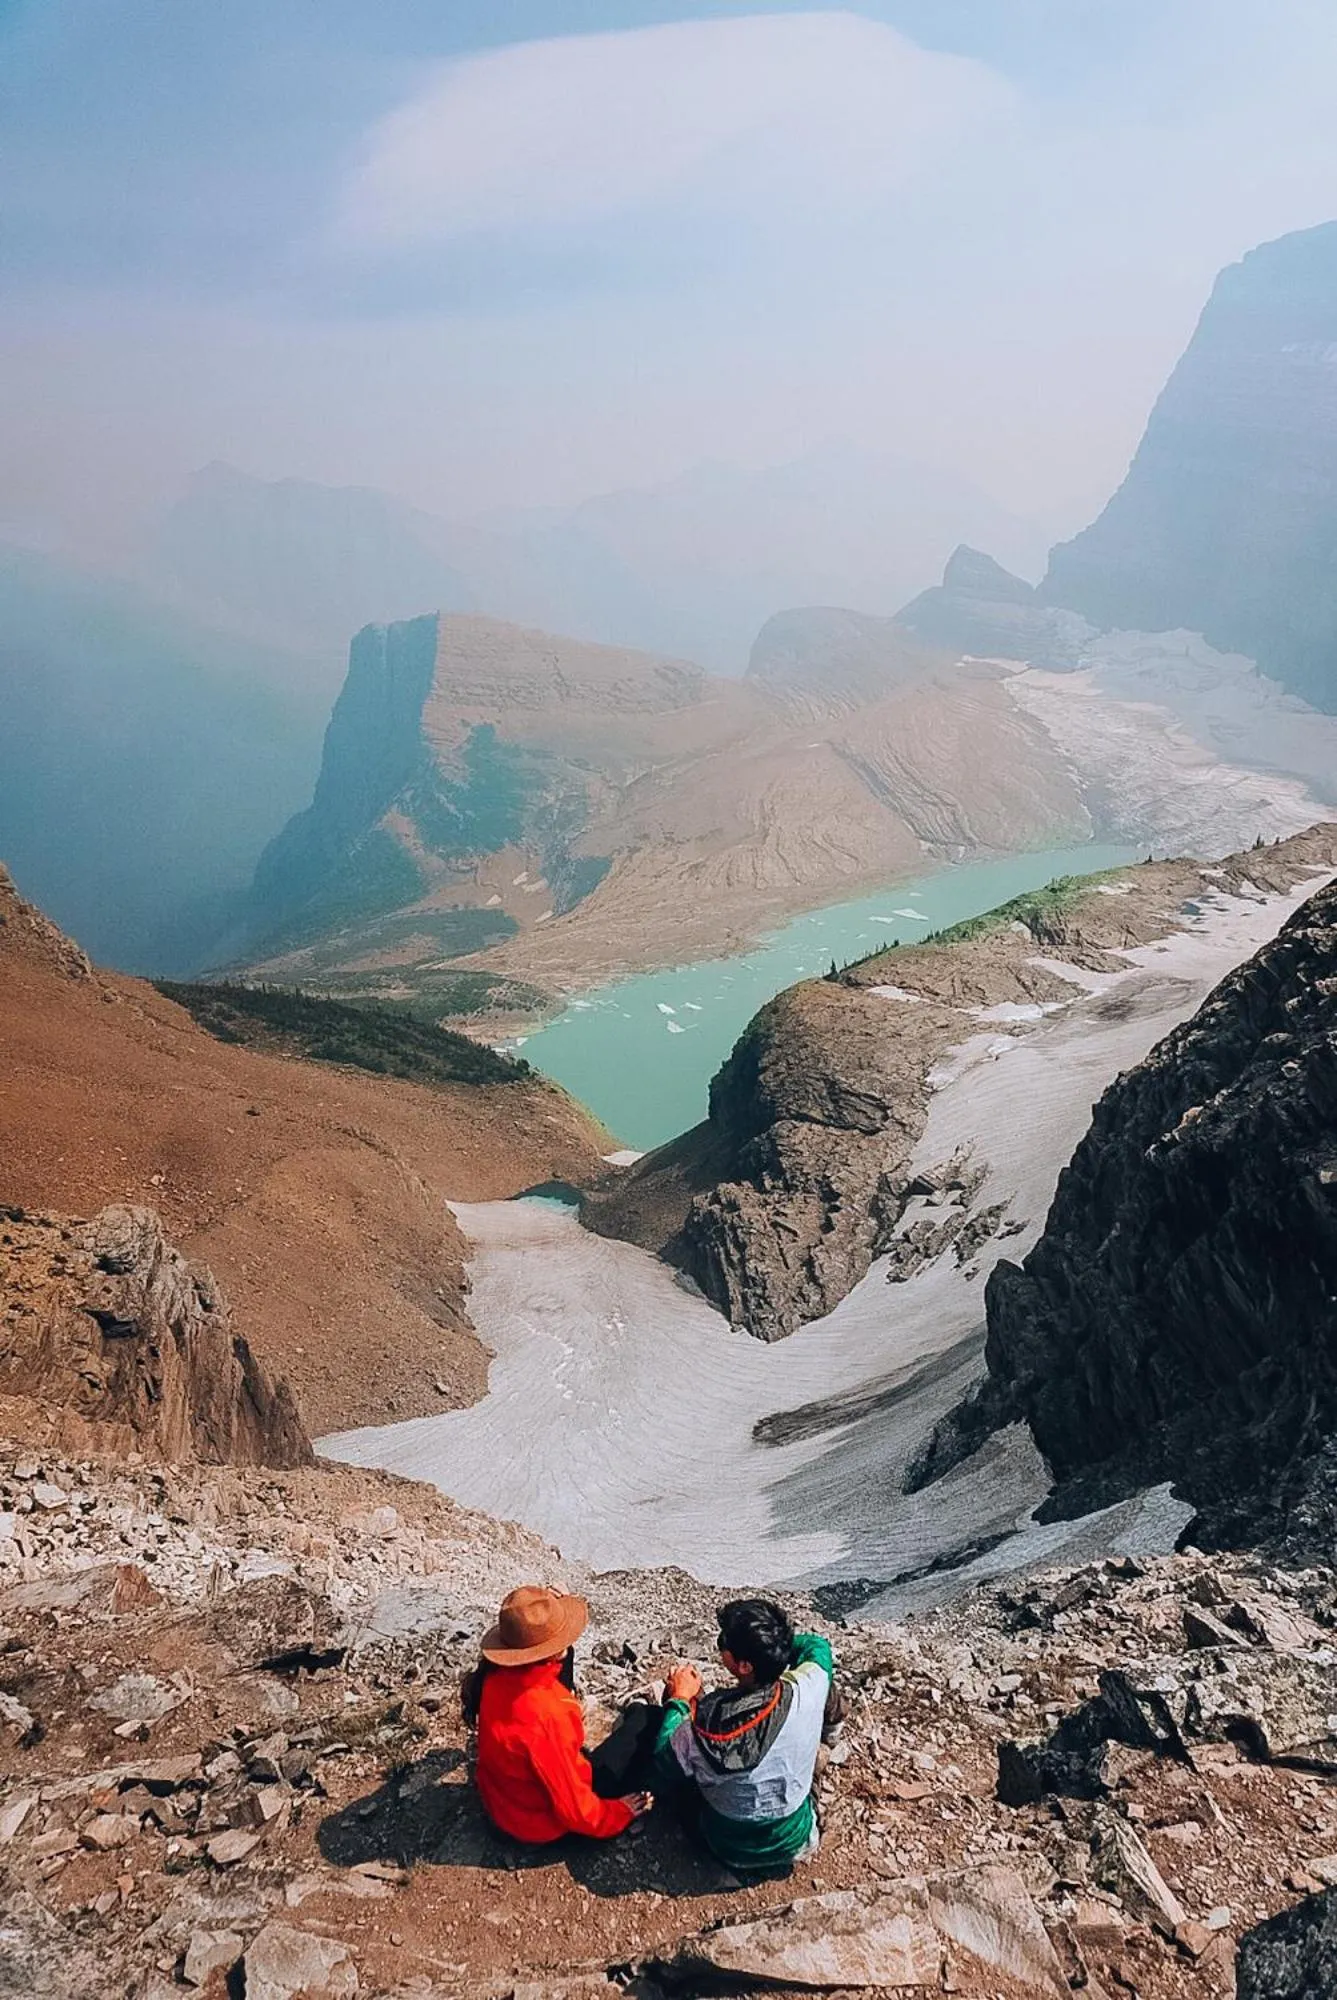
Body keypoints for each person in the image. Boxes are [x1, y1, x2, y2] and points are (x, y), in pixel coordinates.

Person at [653, 1597, 835, 1876]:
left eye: (724, 1643)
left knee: (683, 1790)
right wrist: (776, 1646)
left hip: (728, 1847)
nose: (721, 1646)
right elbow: (818, 1646)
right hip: (795, 1841)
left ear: (745, 1666)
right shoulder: (808, 1686)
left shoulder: (703, 1726)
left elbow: (664, 1760)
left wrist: (679, 1698)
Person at [464, 1585, 652, 1843]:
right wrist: (619, 1812)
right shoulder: (549, 1715)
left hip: (503, 1801)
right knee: (643, 1721)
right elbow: (576, 1811)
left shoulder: (493, 1676)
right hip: (534, 1823)